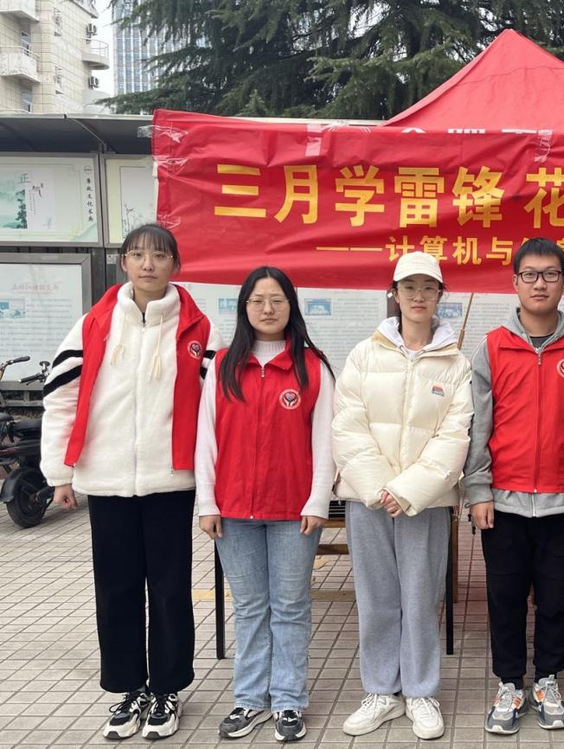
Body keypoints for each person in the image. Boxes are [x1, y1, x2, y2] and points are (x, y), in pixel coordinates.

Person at [40, 224, 222, 740]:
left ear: (175, 266)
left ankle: (167, 689)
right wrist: (59, 473)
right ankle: (128, 689)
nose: (148, 264)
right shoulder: (94, 324)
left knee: (170, 589)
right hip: (107, 479)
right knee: (116, 589)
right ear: (123, 262)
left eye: (159, 256)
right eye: (138, 255)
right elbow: (60, 397)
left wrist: (212, 483)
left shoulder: (198, 328)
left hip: (171, 480)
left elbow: (217, 410)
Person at [332, 252, 473, 741]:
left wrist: (408, 489)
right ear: (393, 293)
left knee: (420, 598)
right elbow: (347, 425)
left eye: (428, 287)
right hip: (367, 499)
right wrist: (379, 487)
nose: (418, 296)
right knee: (376, 598)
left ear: (440, 295)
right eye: (409, 286)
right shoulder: (364, 354)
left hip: (425, 502)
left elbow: (455, 435)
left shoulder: (456, 363)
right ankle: (380, 691)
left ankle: (420, 691)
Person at [195, 266, 335, 742]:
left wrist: (318, 500)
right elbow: (206, 438)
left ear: (291, 306)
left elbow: (325, 441)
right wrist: (207, 502)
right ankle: (250, 698)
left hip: (294, 511)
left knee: (291, 606)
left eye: (277, 300)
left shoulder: (311, 366)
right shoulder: (222, 365)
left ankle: (289, 700)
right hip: (233, 510)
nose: (268, 308)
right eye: (257, 300)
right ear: (244, 307)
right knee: (251, 607)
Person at [464, 238, 564, 735]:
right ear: (515, 282)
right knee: (505, 599)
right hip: (504, 503)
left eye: (550, 274)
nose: (540, 284)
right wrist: (479, 489)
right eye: (531, 275)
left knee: (557, 600)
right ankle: (509, 683)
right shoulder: (493, 346)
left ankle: (547, 679)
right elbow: (478, 425)